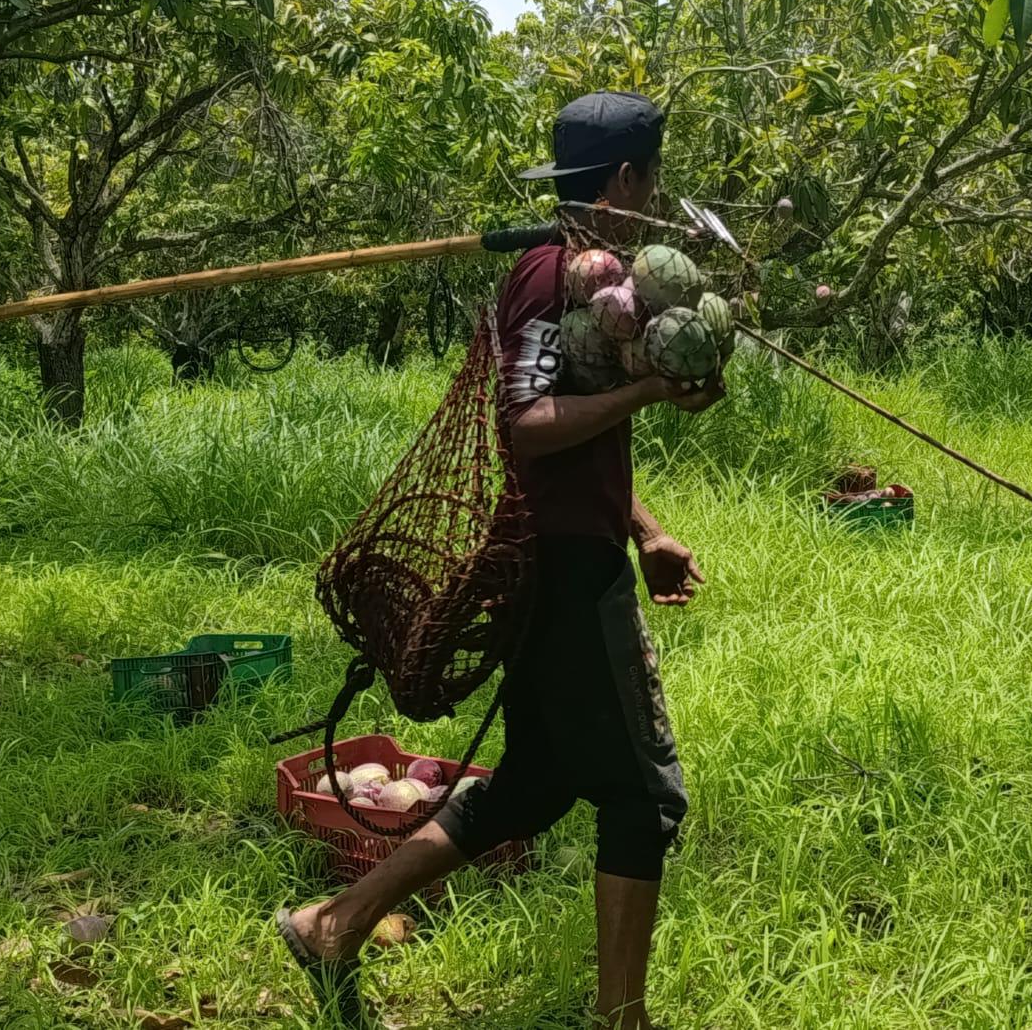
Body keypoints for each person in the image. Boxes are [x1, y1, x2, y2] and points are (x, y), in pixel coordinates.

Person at [278, 91, 722, 1029]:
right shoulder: (544, 278)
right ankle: (620, 1019)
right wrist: (647, 388)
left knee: (537, 785)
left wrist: (646, 529)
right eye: (653, 178)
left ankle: (335, 922)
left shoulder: (596, 288)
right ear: (626, 181)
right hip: (561, 574)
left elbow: (581, 438)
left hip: (580, 550)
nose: (657, 193)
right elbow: (528, 429)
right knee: (645, 798)